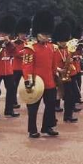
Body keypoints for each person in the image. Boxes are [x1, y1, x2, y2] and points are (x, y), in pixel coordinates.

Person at [22, 10, 59, 138]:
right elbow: (27, 66)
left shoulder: (52, 47)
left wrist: (56, 77)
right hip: (36, 82)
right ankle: (32, 129)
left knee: (50, 106)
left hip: (49, 82)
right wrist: (28, 81)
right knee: (33, 108)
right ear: (37, 33)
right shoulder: (30, 48)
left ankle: (47, 126)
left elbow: (53, 65)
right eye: (44, 34)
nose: (46, 37)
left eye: (47, 34)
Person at [52, 22, 78, 123]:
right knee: (55, 97)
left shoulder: (67, 49)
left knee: (70, 96)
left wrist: (71, 61)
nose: (64, 43)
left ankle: (68, 116)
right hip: (58, 76)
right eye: (63, 41)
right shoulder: (54, 49)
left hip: (68, 75)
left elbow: (69, 58)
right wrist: (58, 69)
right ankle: (52, 117)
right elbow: (51, 62)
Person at [0, 15, 20, 118]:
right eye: (3, 33)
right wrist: (0, 43)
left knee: (11, 89)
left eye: (6, 33)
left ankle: (9, 110)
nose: (5, 34)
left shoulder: (10, 42)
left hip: (8, 69)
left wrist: (9, 43)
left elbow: (15, 52)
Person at [12, 18, 32, 111]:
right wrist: (24, 52)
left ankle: (31, 101)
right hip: (16, 67)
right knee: (14, 86)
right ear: (18, 34)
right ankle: (13, 102)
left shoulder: (27, 43)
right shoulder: (15, 43)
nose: (23, 35)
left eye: (24, 33)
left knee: (29, 85)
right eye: (21, 34)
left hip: (25, 67)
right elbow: (15, 54)